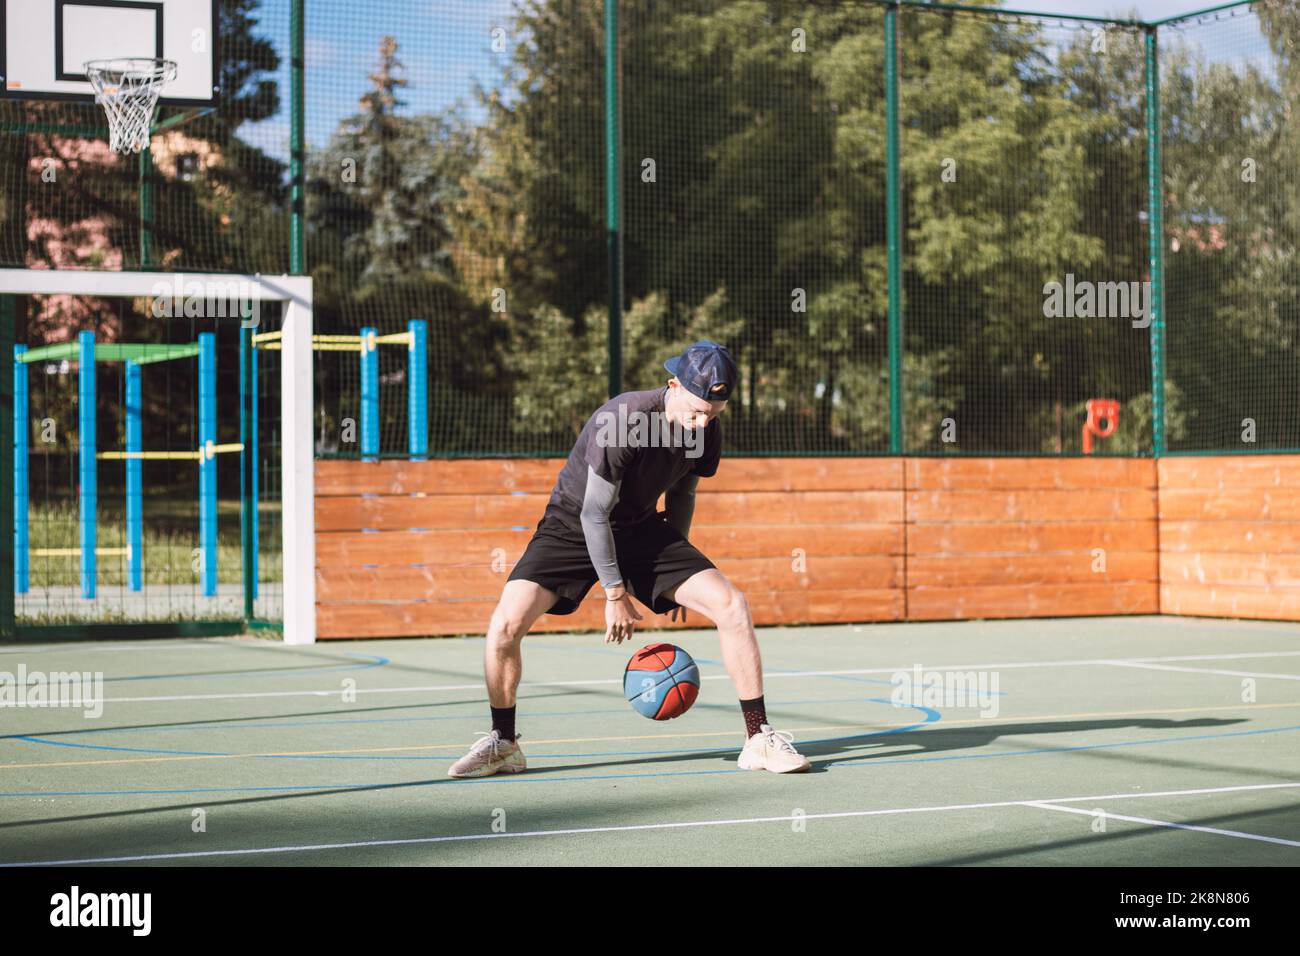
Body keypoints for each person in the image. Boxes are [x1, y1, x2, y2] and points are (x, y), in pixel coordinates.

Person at [449, 341, 811, 777]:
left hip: (641, 529)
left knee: (731, 604)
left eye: (712, 415)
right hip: (571, 526)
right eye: (696, 411)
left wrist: (676, 575)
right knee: (505, 625)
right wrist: (614, 592)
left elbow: (683, 493)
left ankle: (758, 738)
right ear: (673, 384)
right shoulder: (623, 420)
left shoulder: (707, 429)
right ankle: (504, 743)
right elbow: (593, 513)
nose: (701, 423)